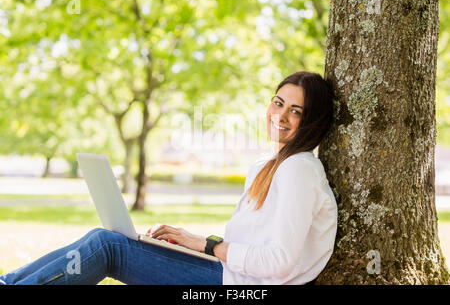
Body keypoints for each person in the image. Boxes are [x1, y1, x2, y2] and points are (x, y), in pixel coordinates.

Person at [0, 71, 337, 285]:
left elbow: (278, 262)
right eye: (278, 103)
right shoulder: (271, 164)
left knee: (107, 247)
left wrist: (205, 244)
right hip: (228, 276)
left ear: (314, 121)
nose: (281, 116)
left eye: (296, 111)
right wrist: (194, 244)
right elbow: (255, 249)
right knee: (104, 237)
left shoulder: (299, 169)